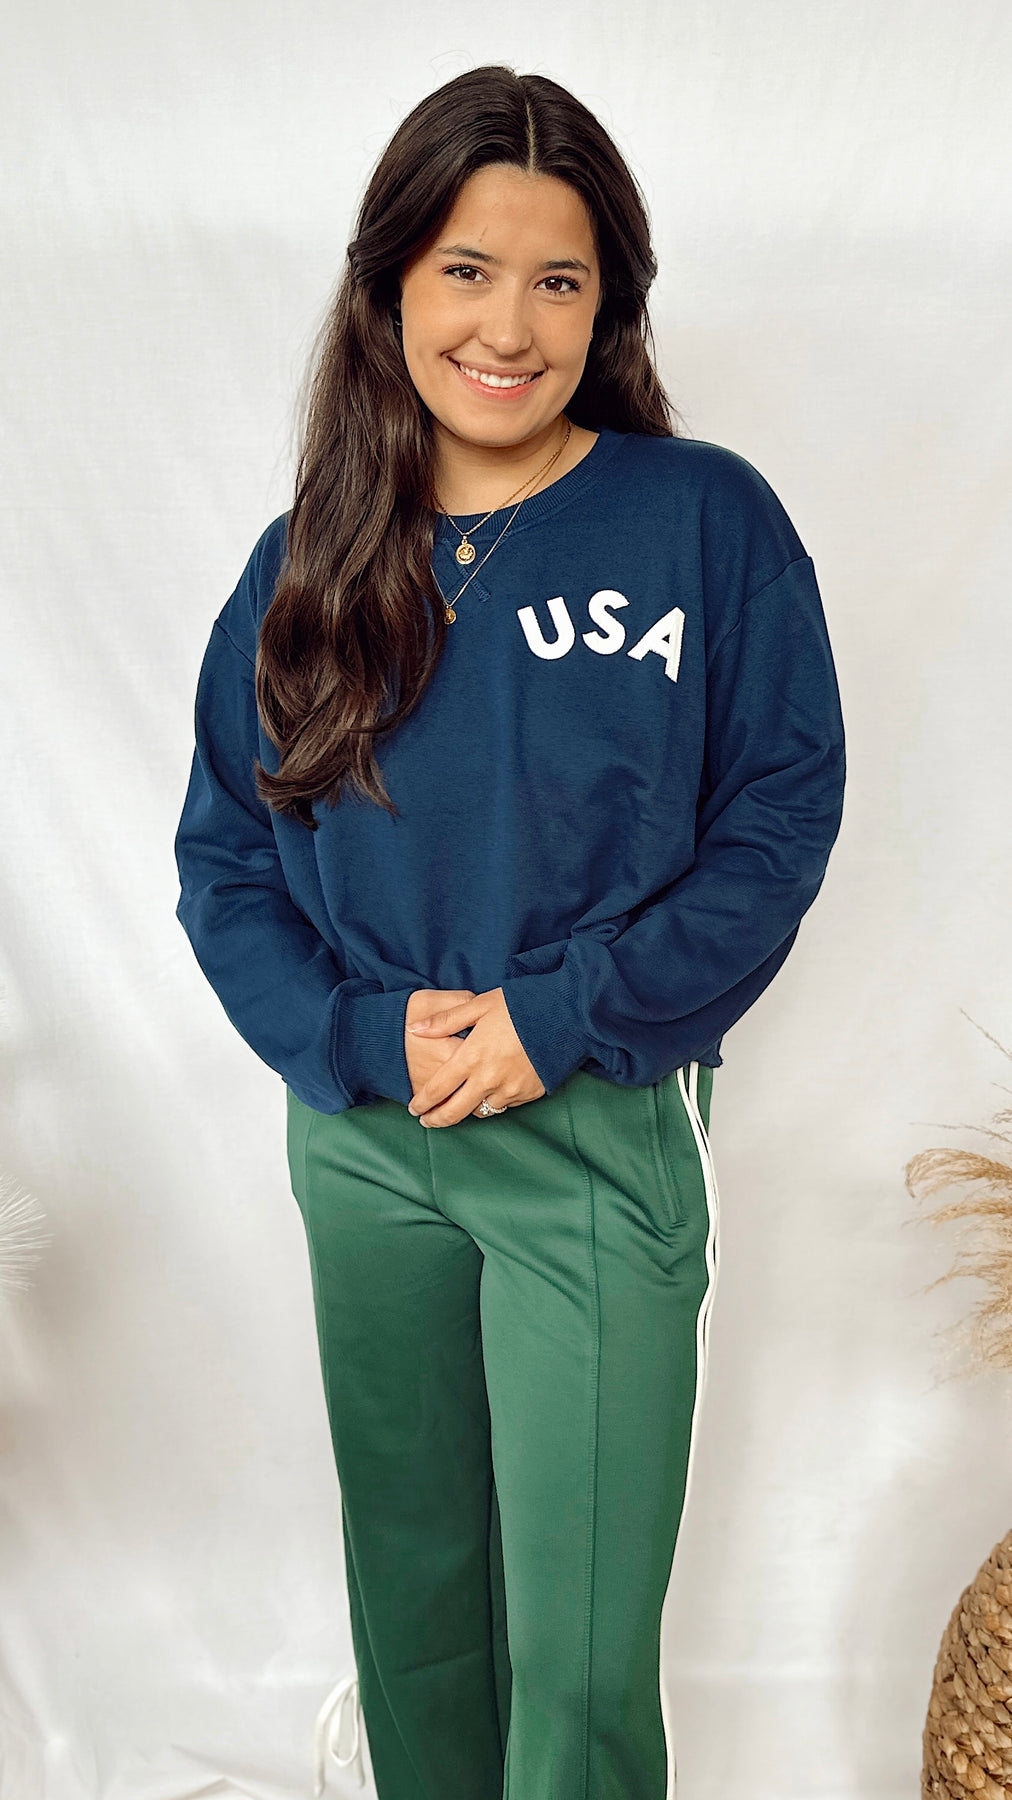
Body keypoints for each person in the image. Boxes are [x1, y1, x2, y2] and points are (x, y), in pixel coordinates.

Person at [173, 62, 846, 1800]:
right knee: (416, 1613)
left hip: (593, 1126)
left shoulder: (702, 521)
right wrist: (350, 1036)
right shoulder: (306, 562)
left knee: (581, 1655)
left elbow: (775, 825)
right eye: (467, 269)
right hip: (364, 1137)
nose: (509, 325)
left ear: (608, 302)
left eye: (560, 279)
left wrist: (559, 1014)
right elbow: (226, 858)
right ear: (392, 281)